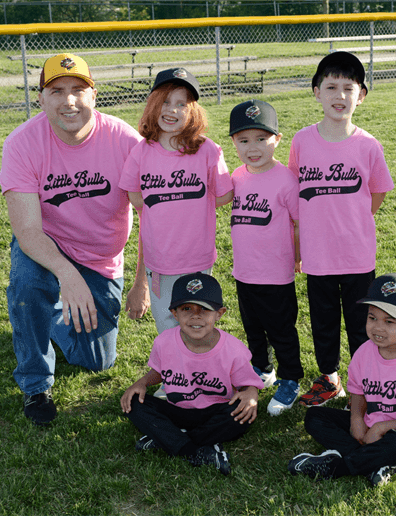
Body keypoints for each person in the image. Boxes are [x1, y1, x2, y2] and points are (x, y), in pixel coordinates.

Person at [0, 53, 150, 426]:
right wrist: (68, 278)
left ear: (94, 96)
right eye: (57, 91)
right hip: (47, 249)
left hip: (101, 259)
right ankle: (36, 383)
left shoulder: (124, 140)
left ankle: (52, 321)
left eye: (78, 90)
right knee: (28, 285)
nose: (69, 101)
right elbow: (29, 231)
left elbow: (152, 217)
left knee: (97, 360)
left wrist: (140, 284)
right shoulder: (21, 143)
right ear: (41, 99)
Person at [287, 51, 395, 407]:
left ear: (361, 95)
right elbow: (295, 194)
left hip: (356, 252)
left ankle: (364, 381)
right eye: (330, 86)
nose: (339, 95)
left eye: (348, 88)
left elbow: (376, 193)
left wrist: (353, 219)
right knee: (323, 319)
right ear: (316, 92)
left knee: (361, 320)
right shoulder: (302, 141)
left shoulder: (368, 145)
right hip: (317, 254)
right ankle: (330, 378)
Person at [288, 273, 396, 487]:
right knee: (314, 417)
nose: (378, 327)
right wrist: (357, 421)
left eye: (389, 321)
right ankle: (379, 460)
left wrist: (380, 428)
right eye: (372, 318)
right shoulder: (363, 353)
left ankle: (339, 466)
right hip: (371, 421)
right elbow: (358, 391)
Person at [119, 68, 234, 336]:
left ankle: (199, 372)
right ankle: (176, 374)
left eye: (181, 104)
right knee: (168, 326)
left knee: (197, 323)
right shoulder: (141, 152)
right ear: (153, 106)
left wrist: (190, 205)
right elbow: (136, 198)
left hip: (198, 258)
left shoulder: (207, 149)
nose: (172, 110)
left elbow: (225, 195)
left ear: (192, 111)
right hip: (159, 263)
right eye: (166, 102)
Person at [120, 272, 264, 476]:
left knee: (242, 416)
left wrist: (252, 394)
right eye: (187, 309)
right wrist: (142, 382)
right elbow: (159, 372)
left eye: (204, 309)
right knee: (134, 403)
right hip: (177, 410)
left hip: (215, 411)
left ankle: (168, 440)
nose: (196, 316)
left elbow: (248, 386)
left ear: (219, 313)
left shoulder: (234, 349)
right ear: (175, 314)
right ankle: (195, 448)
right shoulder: (164, 342)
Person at [228, 99, 304, 416]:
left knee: (281, 330)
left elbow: (300, 223)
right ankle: (262, 368)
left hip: (276, 274)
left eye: (261, 138)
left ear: (277, 139)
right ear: (234, 142)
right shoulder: (237, 176)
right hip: (244, 272)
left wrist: (298, 258)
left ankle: (290, 379)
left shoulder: (286, 180)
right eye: (244, 140)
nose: (253, 147)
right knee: (253, 328)